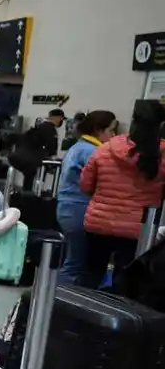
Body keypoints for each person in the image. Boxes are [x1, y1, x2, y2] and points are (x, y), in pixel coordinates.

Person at [79, 101, 165, 289]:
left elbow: (85, 185)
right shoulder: (161, 155)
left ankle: (79, 315)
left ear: (132, 120)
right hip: (138, 230)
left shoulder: (105, 149)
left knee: (90, 275)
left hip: (98, 223)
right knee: (126, 282)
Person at [55, 110, 117, 285]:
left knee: (72, 260)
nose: (113, 135)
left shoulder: (78, 147)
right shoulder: (93, 151)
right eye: (111, 130)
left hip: (67, 209)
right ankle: (60, 301)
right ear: (99, 129)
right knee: (75, 265)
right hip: (79, 209)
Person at [10, 109, 65, 190]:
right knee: (38, 179)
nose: (61, 121)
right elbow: (51, 146)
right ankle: (33, 195)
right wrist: (53, 156)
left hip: (28, 158)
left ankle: (27, 195)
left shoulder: (40, 127)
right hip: (36, 159)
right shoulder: (50, 129)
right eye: (61, 118)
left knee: (30, 179)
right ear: (57, 117)